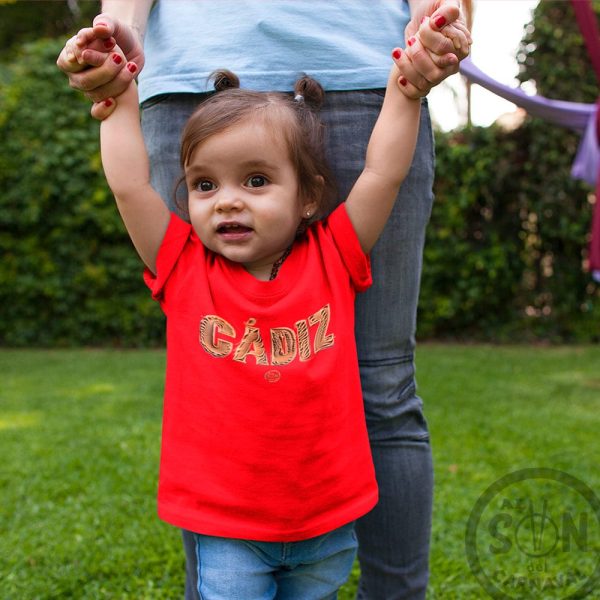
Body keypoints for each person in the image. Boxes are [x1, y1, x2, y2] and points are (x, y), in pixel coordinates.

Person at [57, 3, 471, 598]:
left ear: (311, 198)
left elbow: (380, 174)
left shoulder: (334, 258)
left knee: (386, 388)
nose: (227, 201)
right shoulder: (180, 265)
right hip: (225, 534)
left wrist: (404, 92)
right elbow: (129, 183)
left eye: (255, 181)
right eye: (205, 185)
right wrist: (120, 94)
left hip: (325, 536)